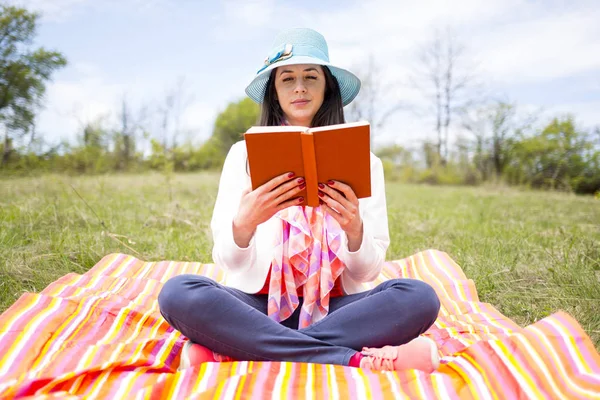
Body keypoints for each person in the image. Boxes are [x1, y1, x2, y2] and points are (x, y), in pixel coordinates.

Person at [158, 28, 441, 372]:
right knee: (179, 293)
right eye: (287, 79)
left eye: (311, 77)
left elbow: (368, 271)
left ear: (327, 87)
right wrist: (244, 224)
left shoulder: (366, 163)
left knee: (419, 297)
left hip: (339, 310)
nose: (300, 87)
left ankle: (238, 348)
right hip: (254, 306)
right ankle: (350, 358)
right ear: (275, 93)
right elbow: (227, 261)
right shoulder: (241, 156)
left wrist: (354, 230)